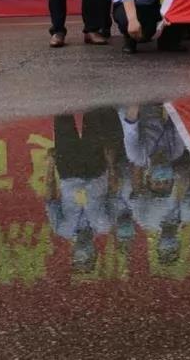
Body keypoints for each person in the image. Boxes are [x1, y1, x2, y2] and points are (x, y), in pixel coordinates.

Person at [44, 107, 122, 272]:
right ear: (94, 253)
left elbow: (50, 199)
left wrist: (50, 165)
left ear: (72, 253)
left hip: (68, 171)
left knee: (62, 121)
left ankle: (60, 94)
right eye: (86, 258)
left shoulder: (62, 229)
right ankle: (88, 93)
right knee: (93, 119)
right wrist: (110, 163)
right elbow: (114, 192)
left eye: (77, 258)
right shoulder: (106, 224)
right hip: (96, 170)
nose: (81, 254)